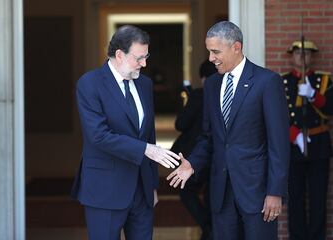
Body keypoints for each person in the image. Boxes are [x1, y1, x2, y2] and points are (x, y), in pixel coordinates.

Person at [166, 21, 290, 239]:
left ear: (236, 47)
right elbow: (208, 137)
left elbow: (278, 143)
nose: (211, 58)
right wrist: (193, 163)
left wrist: (275, 191)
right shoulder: (212, 84)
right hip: (220, 192)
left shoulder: (267, 82)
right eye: (209, 52)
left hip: (257, 193)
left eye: (215, 52)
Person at [71, 25, 180, 240]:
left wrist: (152, 185)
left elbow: (148, 134)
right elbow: (98, 135)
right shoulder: (90, 83)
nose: (145, 64)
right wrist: (146, 150)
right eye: (138, 58)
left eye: (146, 57)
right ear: (119, 55)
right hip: (105, 189)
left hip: (142, 190)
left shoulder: (145, 84)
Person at [282, 40, 333, 240]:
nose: (302, 57)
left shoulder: (324, 80)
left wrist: (313, 95)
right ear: (291, 56)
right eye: (298, 53)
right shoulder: (282, 81)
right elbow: (276, 115)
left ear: (312, 57)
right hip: (293, 145)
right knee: (295, 196)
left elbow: (330, 109)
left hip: (319, 143)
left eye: (307, 53)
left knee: (318, 196)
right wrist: (293, 135)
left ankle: (317, 236)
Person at [170, 59, 217, 240]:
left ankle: (208, 227)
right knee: (212, 195)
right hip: (217, 157)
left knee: (186, 191)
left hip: (196, 154)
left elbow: (180, 124)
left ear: (204, 78)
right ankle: (210, 230)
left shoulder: (199, 95)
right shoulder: (225, 93)